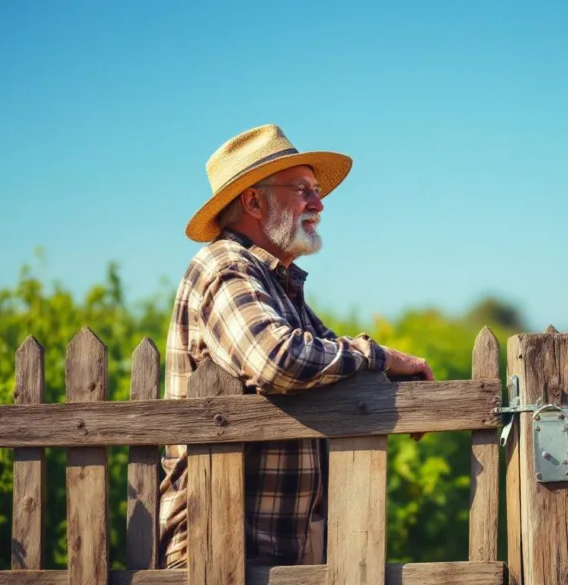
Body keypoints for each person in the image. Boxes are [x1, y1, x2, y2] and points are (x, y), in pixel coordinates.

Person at [158, 124, 434, 568]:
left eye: (317, 189)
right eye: (302, 189)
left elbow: (329, 352)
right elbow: (278, 358)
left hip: (265, 551)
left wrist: (392, 378)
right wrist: (383, 357)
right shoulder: (225, 267)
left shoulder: (275, 282)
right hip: (219, 551)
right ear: (252, 200)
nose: (319, 204)